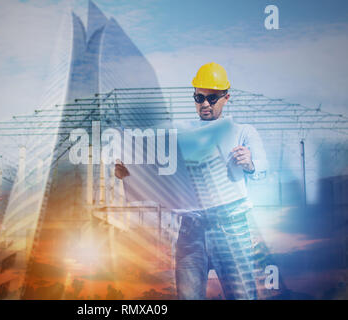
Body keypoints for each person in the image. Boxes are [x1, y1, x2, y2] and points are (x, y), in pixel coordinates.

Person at [115, 62, 268, 300]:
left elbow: (263, 171)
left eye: (212, 98)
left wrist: (250, 164)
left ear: (226, 98)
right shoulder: (180, 136)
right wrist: (129, 172)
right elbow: (158, 172)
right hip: (191, 229)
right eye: (199, 98)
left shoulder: (243, 131)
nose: (204, 104)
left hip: (231, 228)